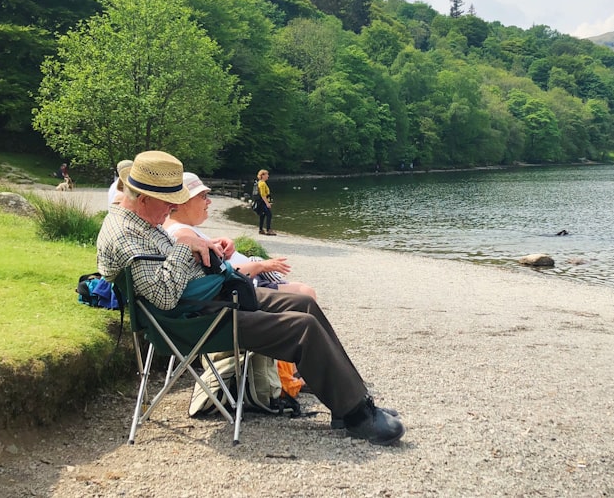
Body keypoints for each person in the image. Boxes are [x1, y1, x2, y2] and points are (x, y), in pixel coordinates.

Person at [96, 151, 404, 445]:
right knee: (303, 327)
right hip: (194, 322)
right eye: (168, 204)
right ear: (146, 198)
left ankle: (352, 399)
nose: (170, 211)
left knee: (304, 304)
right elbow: (164, 296)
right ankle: (358, 416)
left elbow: (165, 275)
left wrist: (203, 247)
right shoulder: (126, 235)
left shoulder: (136, 220)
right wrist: (184, 244)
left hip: (205, 304)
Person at [164, 172, 316, 299]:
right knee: (306, 293)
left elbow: (207, 262)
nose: (209, 201)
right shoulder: (182, 234)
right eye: (203, 196)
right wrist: (261, 266)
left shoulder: (179, 229)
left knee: (303, 291)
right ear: (182, 202)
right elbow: (215, 276)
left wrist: (216, 242)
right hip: (241, 287)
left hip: (243, 283)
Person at [255, 169, 275, 236]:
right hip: (263, 202)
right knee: (269, 214)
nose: (268, 176)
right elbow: (263, 195)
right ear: (263, 175)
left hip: (261, 202)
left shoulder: (259, 182)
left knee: (262, 215)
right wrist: (267, 203)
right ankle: (268, 230)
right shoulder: (262, 183)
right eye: (267, 174)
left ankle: (261, 229)